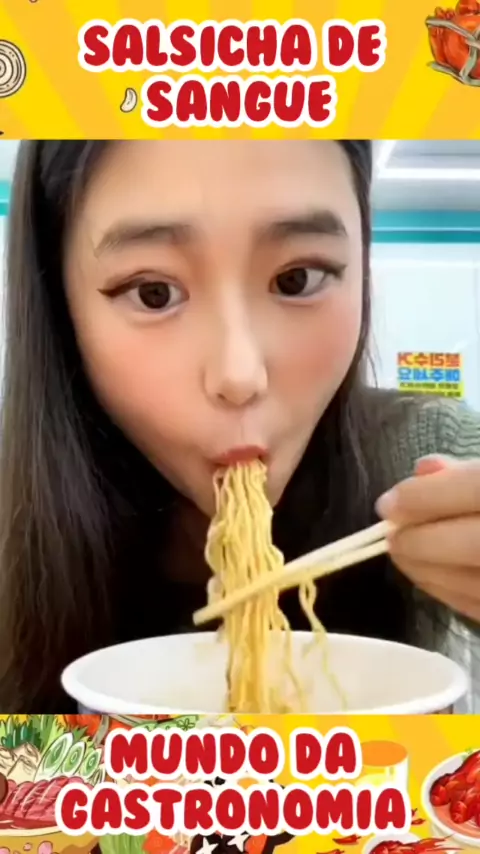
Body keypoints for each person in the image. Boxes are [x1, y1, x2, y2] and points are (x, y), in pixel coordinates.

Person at [1, 139, 480, 713]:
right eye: (154, 293)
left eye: (298, 278)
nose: (240, 374)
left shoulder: (429, 455)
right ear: (61, 307)